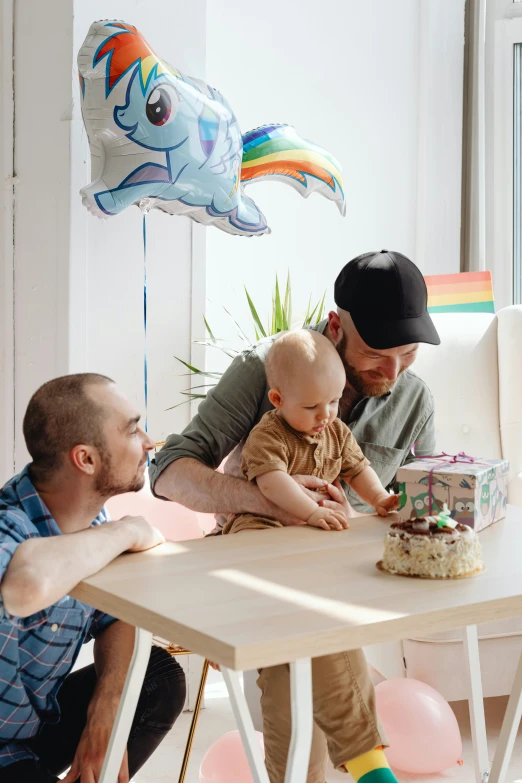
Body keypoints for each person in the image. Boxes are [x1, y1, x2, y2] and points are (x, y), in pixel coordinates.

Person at [150, 250, 440, 783]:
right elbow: (167, 472)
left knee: (301, 649)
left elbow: (421, 502)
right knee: (308, 623)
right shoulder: (265, 367)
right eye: (378, 352)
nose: (393, 372)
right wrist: (278, 503)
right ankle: (373, 768)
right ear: (336, 327)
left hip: (347, 573)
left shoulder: (413, 397)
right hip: (255, 565)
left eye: (409, 353)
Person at [0, 374, 186, 783]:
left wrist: (109, 705)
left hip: (30, 730)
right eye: (133, 430)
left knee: (157, 676)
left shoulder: (88, 519)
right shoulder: (8, 526)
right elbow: (24, 581)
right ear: (85, 459)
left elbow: (119, 614)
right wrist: (126, 531)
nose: (149, 442)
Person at [223, 329, 399, 536]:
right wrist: (311, 512)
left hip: (317, 519)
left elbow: (358, 470)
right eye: (311, 407)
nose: (324, 415)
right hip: (263, 517)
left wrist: (378, 497)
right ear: (278, 399)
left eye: (333, 401)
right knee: (255, 539)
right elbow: (272, 484)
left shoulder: (337, 432)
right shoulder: (268, 436)